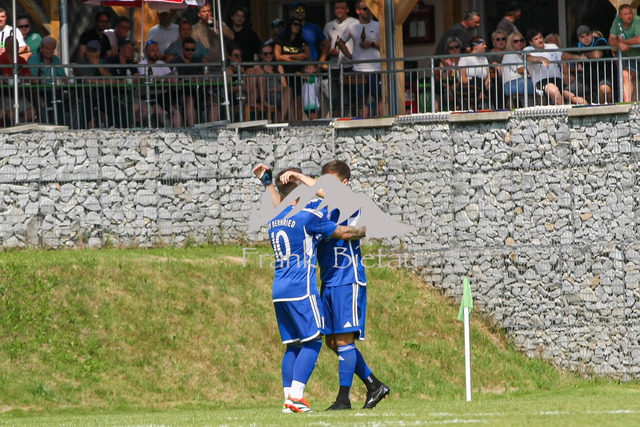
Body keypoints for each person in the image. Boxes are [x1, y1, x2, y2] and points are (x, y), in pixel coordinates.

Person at [252, 163, 367, 414]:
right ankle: (296, 397)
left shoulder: (274, 217)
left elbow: (279, 201)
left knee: (293, 345)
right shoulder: (307, 216)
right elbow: (342, 232)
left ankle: (288, 400)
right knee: (314, 341)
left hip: (278, 289)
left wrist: (267, 183)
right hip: (301, 288)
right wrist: (362, 230)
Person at [278, 160, 390, 411]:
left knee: (343, 340)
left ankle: (343, 400)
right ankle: (374, 385)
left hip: (347, 278)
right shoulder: (319, 207)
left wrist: (300, 176)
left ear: (344, 184)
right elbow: (288, 206)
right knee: (331, 342)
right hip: (328, 280)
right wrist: (272, 183)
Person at [336, 1, 382, 118]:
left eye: (370, 9)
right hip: (359, 69)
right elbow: (340, 42)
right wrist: (349, 56)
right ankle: (363, 123)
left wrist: (372, 44)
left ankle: (382, 122)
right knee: (361, 100)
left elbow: (386, 43)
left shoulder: (378, 25)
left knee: (379, 97)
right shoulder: (352, 27)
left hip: (375, 68)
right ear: (358, 11)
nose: (368, 12)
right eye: (365, 9)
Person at [524, 28, 587, 105]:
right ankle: (563, 112)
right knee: (554, 90)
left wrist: (566, 75)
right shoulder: (527, 50)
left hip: (558, 80)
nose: (540, 40)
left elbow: (563, 59)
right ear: (531, 42)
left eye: (540, 37)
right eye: (536, 39)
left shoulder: (553, 46)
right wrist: (540, 58)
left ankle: (590, 110)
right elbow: (528, 58)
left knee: (573, 97)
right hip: (542, 82)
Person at [170, 37, 215, 125]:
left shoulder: (198, 61)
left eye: (193, 49)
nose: (190, 52)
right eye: (187, 49)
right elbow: (172, 81)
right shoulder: (174, 62)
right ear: (182, 49)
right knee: (190, 101)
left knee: (215, 102)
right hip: (181, 94)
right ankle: (192, 129)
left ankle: (213, 129)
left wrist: (205, 78)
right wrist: (190, 80)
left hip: (199, 92)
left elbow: (209, 77)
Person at [323, 0, 358, 116]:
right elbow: (325, 45)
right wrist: (329, 51)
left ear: (347, 10)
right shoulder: (329, 26)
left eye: (342, 8)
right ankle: (336, 120)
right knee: (335, 98)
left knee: (353, 97)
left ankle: (355, 119)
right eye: (337, 8)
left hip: (351, 65)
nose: (339, 10)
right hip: (334, 66)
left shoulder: (355, 23)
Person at [136, 40, 181, 127]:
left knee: (175, 111)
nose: (156, 53)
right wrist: (163, 80)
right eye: (152, 50)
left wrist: (160, 80)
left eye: (157, 50)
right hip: (147, 95)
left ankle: (179, 131)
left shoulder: (162, 63)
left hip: (162, 95)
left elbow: (171, 79)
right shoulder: (141, 64)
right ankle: (167, 129)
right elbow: (148, 80)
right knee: (158, 109)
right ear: (146, 52)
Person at [248, 44, 292, 122]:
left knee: (288, 90)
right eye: (266, 54)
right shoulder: (258, 68)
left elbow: (284, 85)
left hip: (280, 93)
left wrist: (280, 88)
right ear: (261, 55)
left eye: (270, 53)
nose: (268, 55)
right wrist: (272, 90)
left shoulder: (278, 67)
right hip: (267, 94)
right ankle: (281, 122)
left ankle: (283, 121)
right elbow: (258, 88)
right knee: (289, 101)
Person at [73, 40, 111, 128]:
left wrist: (98, 66)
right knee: (88, 103)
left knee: (113, 103)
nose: (90, 54)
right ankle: (91, 129)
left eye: (93, 51)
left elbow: (110, 77)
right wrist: (105, 82)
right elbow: (88, 80)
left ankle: (112, 127)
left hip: (101, 94)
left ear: (98, 53)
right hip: (84, 94)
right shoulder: (81, 63)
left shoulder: (102, 62)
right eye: (88, 51)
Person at [608, 3, 640, 102]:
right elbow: (611, 40)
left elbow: (639, 39)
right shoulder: (617, 21)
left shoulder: (637, 20)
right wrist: (619, 44)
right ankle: (627, 103)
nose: (629, 16)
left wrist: (623, 42)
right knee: (625, 74)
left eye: (630, 13)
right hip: (632, 58)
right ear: (620, 16)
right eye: (626, 14)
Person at [576, 25, 616, 104]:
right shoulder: (579, 45)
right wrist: (579, 57)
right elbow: (564, 56)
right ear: (579, 38)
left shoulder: (601, 41)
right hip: (588, 80)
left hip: (606, 75)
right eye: (582, 37)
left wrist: (585, 54)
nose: (586, 38)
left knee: (604, 89)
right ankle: (587, 107)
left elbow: (597, 55)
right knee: (567, 92)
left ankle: (605, 109)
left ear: (591, 34)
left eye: (587, 35)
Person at [191, 3, 234, 71]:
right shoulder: (194, 29)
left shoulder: (219, 24)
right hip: (206, 66)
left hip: (222, 65)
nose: (207, 13)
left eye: (208, 11)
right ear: (199, 14)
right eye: (204, 11)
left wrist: (216, 24)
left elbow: (231, 36)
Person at [458, 36, 492, 110]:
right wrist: (477, 82)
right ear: (475, 46)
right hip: (468, 86)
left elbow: (488, 75)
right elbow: (463, 79)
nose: (485, 46)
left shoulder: (484, 58)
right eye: (483, 44)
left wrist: (487, 81)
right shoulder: (465, 58)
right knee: (477, 80)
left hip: (482, 85)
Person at [501, 31, 534, 108]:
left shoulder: (523, 54)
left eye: (521, 40)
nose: (519, 43)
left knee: (541, 83)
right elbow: (521, 70)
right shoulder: (510, 54)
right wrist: (534, 71)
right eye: (516, 41)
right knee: (539, 84)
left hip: (523, 81)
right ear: (511, 43)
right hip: (513, 83)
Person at [436, 36, 462, 111]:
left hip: (462, 85)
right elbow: (443, 80)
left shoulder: (463, 60)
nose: (454, 49)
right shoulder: (445, 62)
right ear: (448, 50)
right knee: (442, 90)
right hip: (448, 86)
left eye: (456, 47)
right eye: (451, 48)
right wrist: (446, 67)